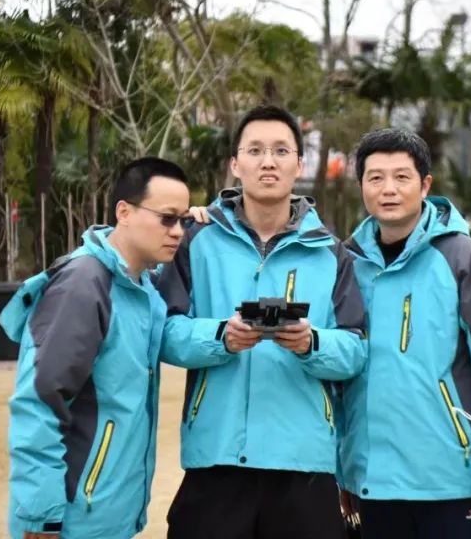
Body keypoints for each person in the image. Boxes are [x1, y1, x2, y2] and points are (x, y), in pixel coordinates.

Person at [158, 104, 368, 539]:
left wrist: (311, 344)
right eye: (254, 150)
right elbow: (165, 332)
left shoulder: (331, 252)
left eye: (280, 151)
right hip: (216, 459)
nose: (267, 161)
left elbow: (355, 349)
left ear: (299, 164)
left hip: (305, 466)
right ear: (235, 164)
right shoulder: (195, 240)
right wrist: (221, 337)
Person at [338, 128, 471, 539]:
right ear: (361, 187)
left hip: (451, 482)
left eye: (401, 177)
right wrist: (344, 469)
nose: (389, 189)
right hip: (372, 485)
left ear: (425, 185)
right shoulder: (347, 263)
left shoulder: (466, 260)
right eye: (375, 178)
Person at [6, 157, 192, 539]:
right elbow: (39, 402)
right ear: (124, 212)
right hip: (71, 520)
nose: (177, 232)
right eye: (167, 218)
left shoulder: (140, 287)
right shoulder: (84, 283)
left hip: (108, 517)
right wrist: (41, 517)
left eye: (184, 221)